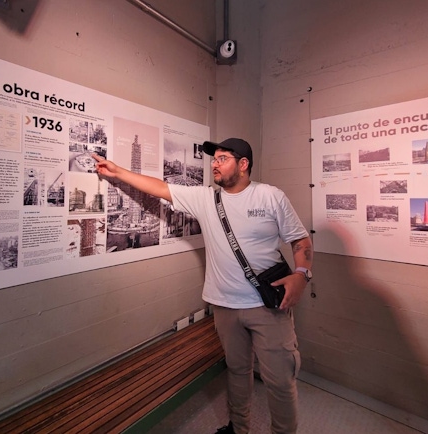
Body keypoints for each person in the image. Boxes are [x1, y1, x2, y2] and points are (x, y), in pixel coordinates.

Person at [93, 138, 313, 434]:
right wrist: (117, 171)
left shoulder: (270, 196)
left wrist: (301, 275)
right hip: (224, 306)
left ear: (243, 165)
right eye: (214, 159)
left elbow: (301, 241)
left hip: (268, 306)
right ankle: (239, 428)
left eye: (222, 158)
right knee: (237, 372)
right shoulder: (206, 198)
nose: (214, 164)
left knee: (280, 380)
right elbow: (160, 188)